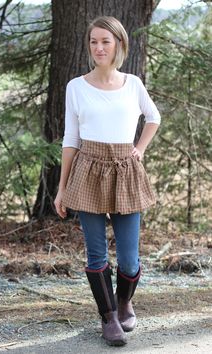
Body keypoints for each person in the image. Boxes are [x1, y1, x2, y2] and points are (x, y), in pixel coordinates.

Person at [54, 16, 161, 347]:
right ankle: (109, 317)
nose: (98, 47)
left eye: (106, 41)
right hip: (88, 171)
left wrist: (139, 150)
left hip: (126, 171)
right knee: (96, 253)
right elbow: (71, 139)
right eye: (93, 42)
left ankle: (125, 302)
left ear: (119, 45)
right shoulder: (76, 87)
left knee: (129, 258)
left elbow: (153, 117)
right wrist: (62, 188)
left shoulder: (133, 84)